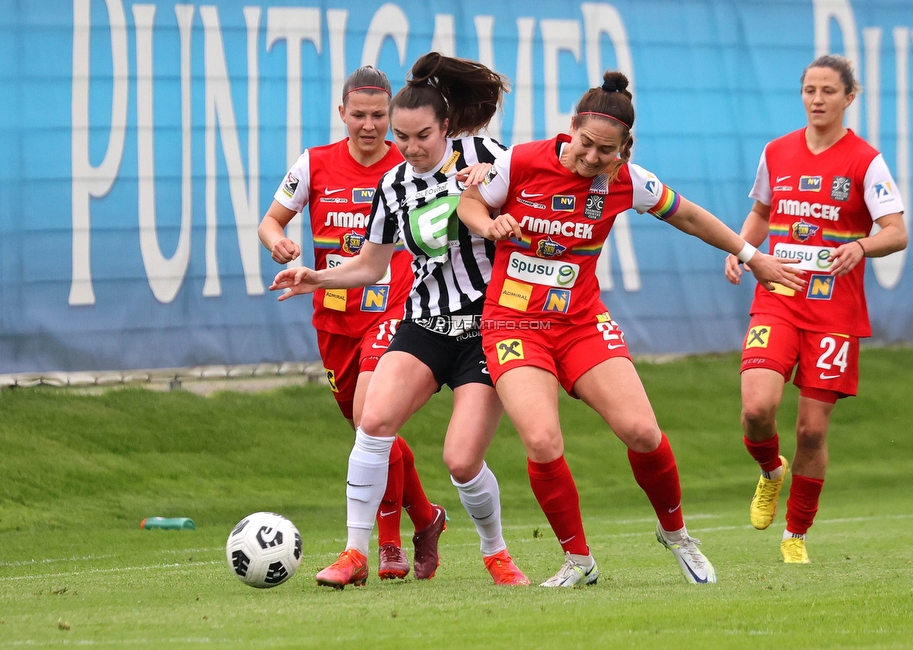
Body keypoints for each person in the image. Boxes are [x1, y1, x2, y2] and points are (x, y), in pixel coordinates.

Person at [456, 70, 805, 587]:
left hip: (580, 323)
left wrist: (751, 255)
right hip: (514, 324)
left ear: (625, 148)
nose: (592, 157)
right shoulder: (519, 161)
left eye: (606, 150)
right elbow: (470, 204)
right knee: (543, 440)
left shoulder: (627, 180)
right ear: (571, 127)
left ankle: (677, 534)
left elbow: (689, 216)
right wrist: (490, 224)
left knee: (643, 432)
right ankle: (579, 560)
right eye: (586, 143)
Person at [269, 53, 530, 587]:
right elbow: (371, 265)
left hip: (487, 327)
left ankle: (496, 552)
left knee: (461, 462)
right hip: (426, 322)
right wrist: (313, 277)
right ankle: (355, 553)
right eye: (404, 137)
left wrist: (496, 184)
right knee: (373, 423)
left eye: (421, 136)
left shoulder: (486, 155)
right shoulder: (393, 185)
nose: (409, 148)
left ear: (448, 127)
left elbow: (540, 191)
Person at [258, 66, 443, 582]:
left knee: (371, 422)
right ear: (341, 113)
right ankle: (426, 519)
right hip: (334, 319)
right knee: (369, 430)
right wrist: (278, 241)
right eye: (358, 115)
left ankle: (382, 548)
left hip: (393, 310)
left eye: (378, 115)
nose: (369, 125)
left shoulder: (409, 166)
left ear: (391, 116)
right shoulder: (314, 164)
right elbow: (270, 219)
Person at [724, 55, 908, 564]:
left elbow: (896, 232)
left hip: (834, 312)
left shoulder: (865, 161)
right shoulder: (777, 151)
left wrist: (862, 247)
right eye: (810, 90)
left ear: (851, 97)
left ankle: (796, 535)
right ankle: (769, 471)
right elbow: (762, 212)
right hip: (778, 297)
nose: (818, 99)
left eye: (829, 90)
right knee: (756, 408)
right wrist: (742, 250)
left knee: (811, 430)